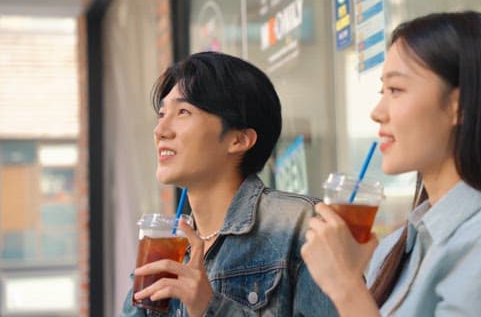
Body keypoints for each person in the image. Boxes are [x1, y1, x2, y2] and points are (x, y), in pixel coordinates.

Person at [301, 11, 481, 316]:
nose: (377, 111)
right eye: (382, 92)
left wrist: (345, 286)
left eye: (396, 90)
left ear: (459, 106)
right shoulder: (399, 245)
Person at [121, 51, 336, 316]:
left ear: (239, 139)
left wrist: (210, 307)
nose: (160, 130)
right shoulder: (170, 245)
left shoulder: (299, 225)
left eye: (183, 112)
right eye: (162, 114)